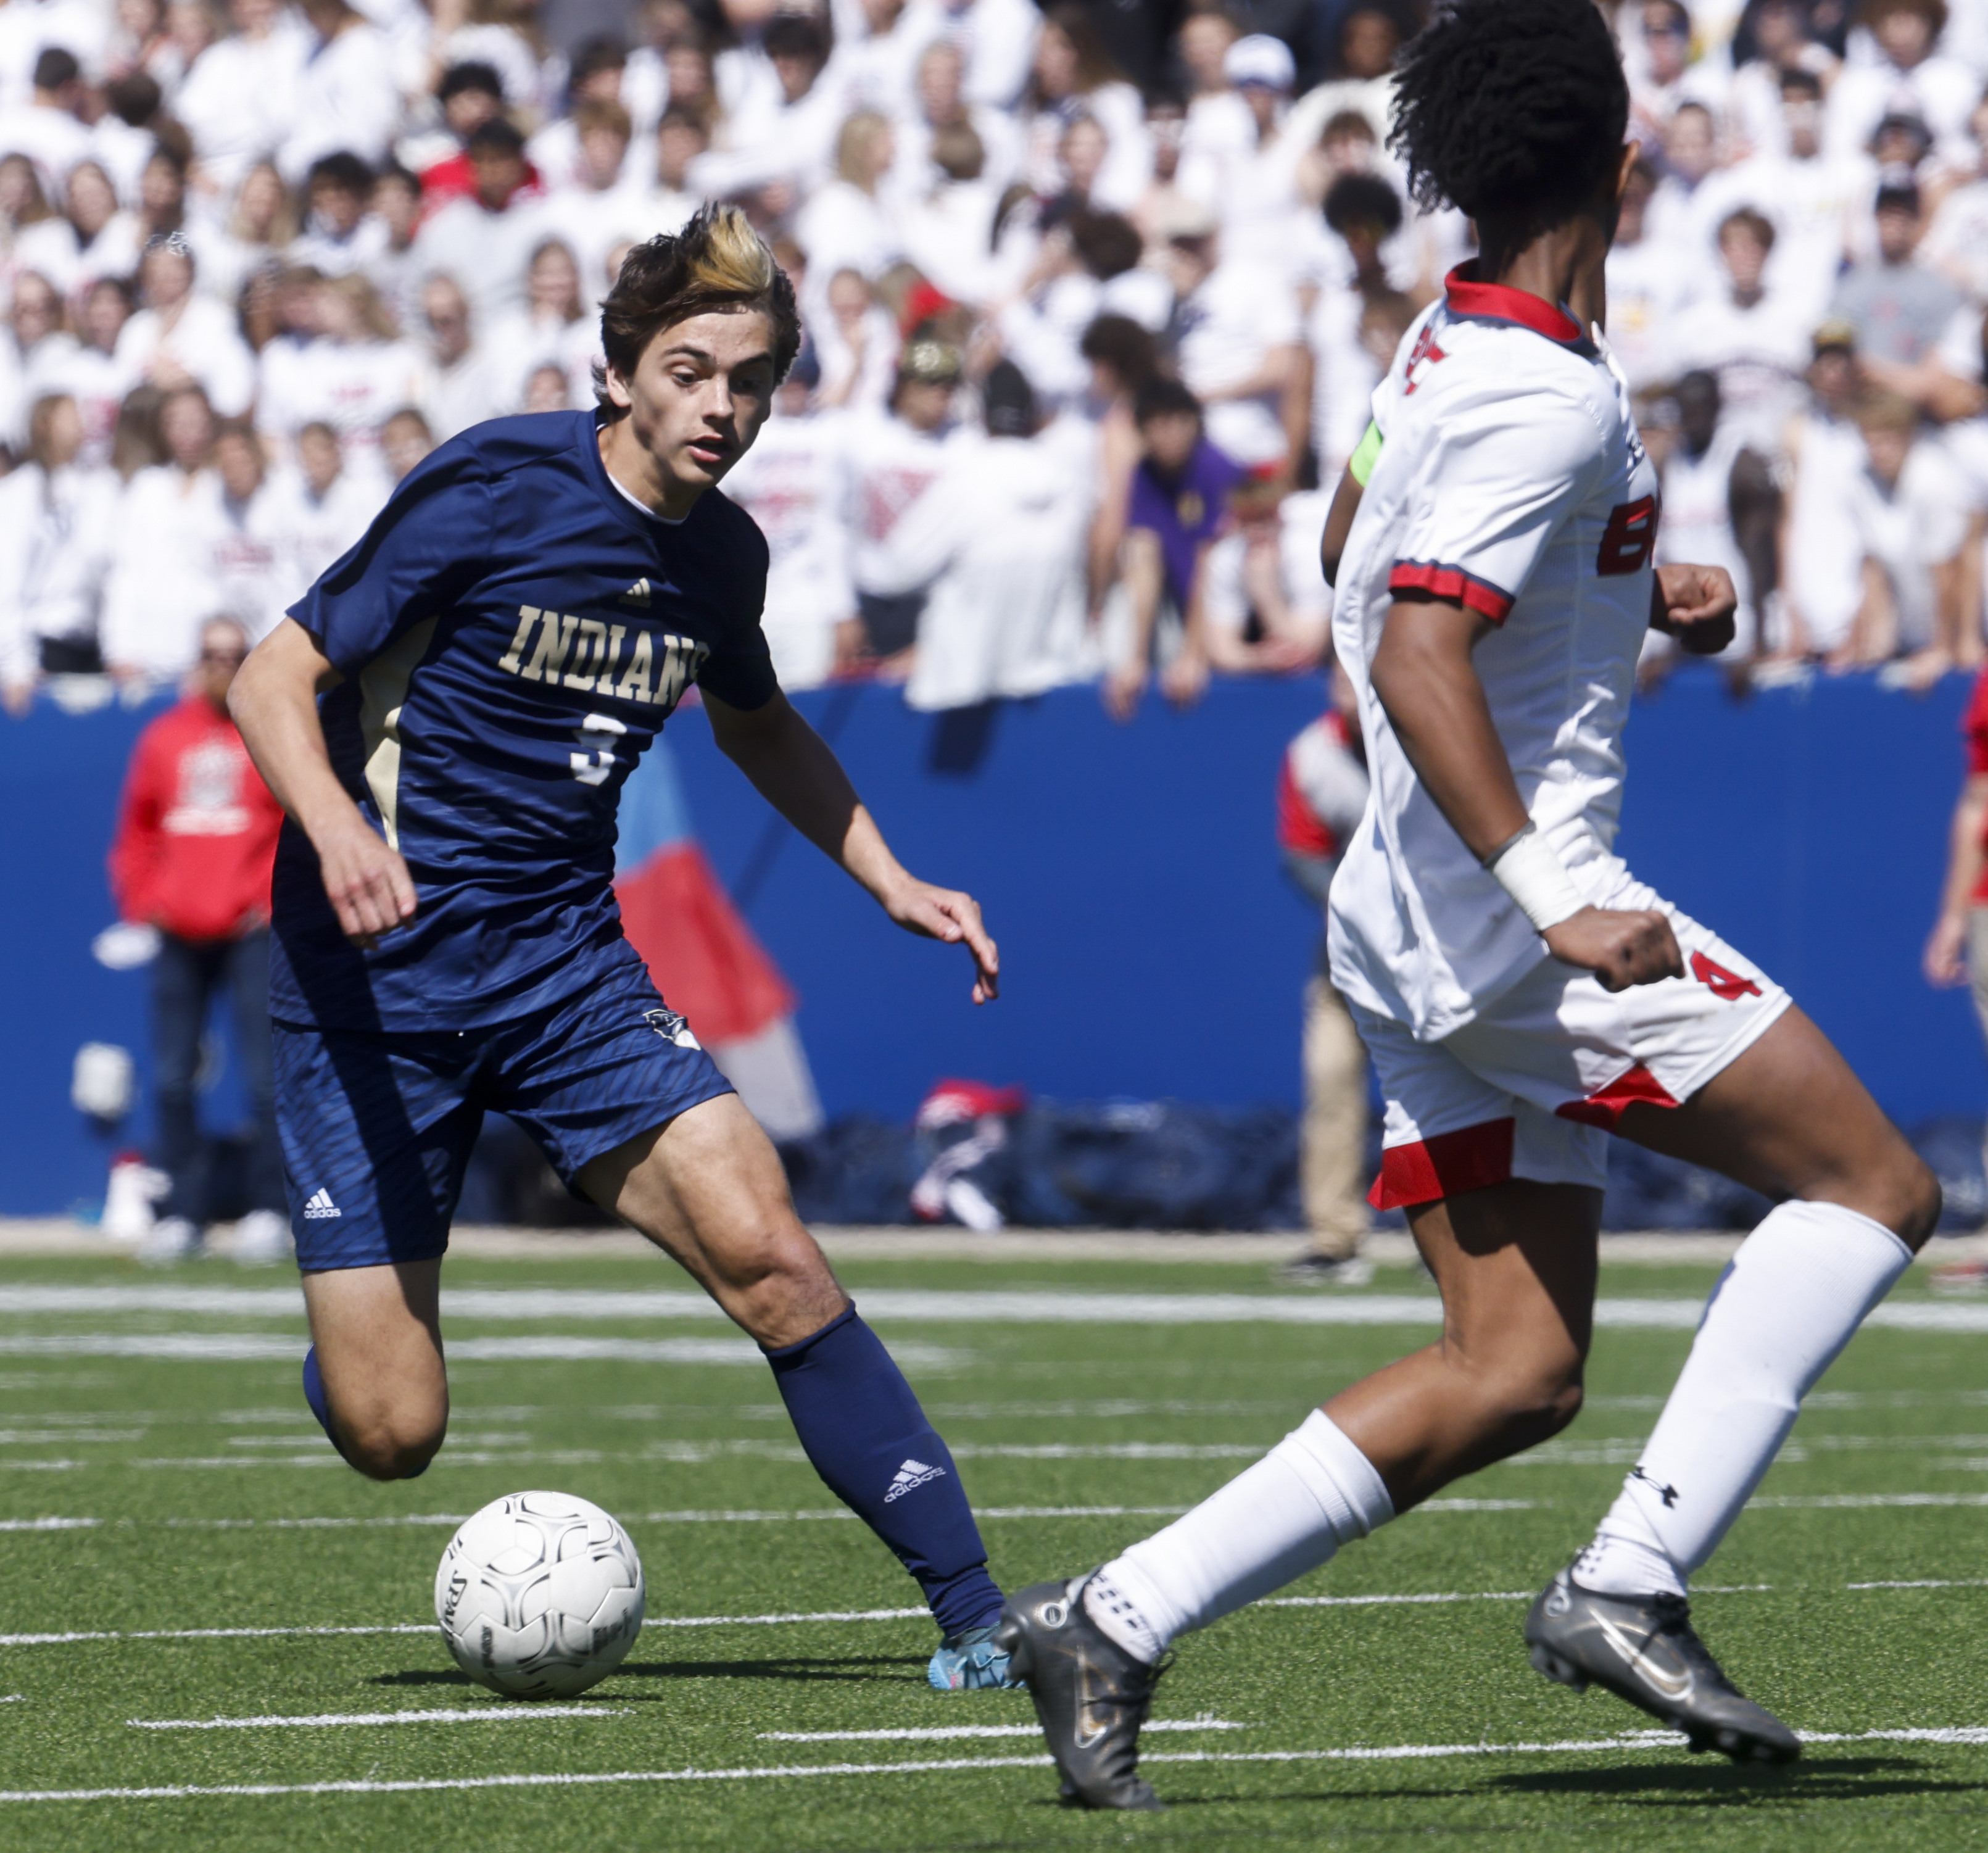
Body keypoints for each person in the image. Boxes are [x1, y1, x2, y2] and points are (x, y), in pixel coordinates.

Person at [996, 0, 1940, 1809]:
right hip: (1522, 923)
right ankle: (1630, 1581)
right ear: (1626, 167)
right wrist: (1551, 895)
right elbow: (1423, 639)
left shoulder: (1452, 344)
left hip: (1403, 922)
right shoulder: (1549, 388)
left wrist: (1615, 585)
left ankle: (1110, 1617)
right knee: (1876, 1182)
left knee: (1513, 1366)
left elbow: (1358, 547)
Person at [226, 204, 1021, 1696]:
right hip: (367, 992)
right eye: (693, 368)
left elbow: (760, 722)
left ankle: (977, 1611)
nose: (725, 405)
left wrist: (889, 879)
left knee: (772, 1256)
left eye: (755, 378)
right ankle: (349, 1349)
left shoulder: (724, 560)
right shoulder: (488, 482)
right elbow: (276, 676)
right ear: (619, 374)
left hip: (564, 976)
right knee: (394, 1435)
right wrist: (337, 831)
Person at [109, 616, 290, 1266]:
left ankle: (270, 1209)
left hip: (248, 929)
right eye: (212, 655)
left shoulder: (269, 731)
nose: (223, 666)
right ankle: (181, 1213)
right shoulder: (163, 739)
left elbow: (293, 827)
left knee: (267, 1079)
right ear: (196, 663)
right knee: (172, 1078)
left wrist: (267, 903)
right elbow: (137, 832)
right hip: (179, 931)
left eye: (235, 655)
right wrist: (146, 902)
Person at [1273, 665, 1373, 1287]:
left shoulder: (1436, 733)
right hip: (1351, 947)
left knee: (1447, 1094)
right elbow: (1302, 855)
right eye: (1341, 680)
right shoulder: (1314, 755)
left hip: (1442, 949)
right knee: (1330, 1082)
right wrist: (1359, 906)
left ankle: (1447, 1237)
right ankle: (1335, 1236)